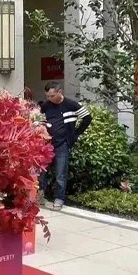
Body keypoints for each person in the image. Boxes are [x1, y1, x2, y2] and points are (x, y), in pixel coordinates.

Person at [39, 82, 93, 210]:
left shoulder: (71, 105)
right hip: (47, 144)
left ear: (60, 92)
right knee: (42, 171)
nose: (49, 98)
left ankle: (59, 199)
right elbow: (41, 119)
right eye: (47, 96)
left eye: (52, 96)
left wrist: (75, 134)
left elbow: (87, 117)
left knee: (60, 173)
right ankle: (40, 196)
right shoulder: (46, 106)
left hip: (63, 144)